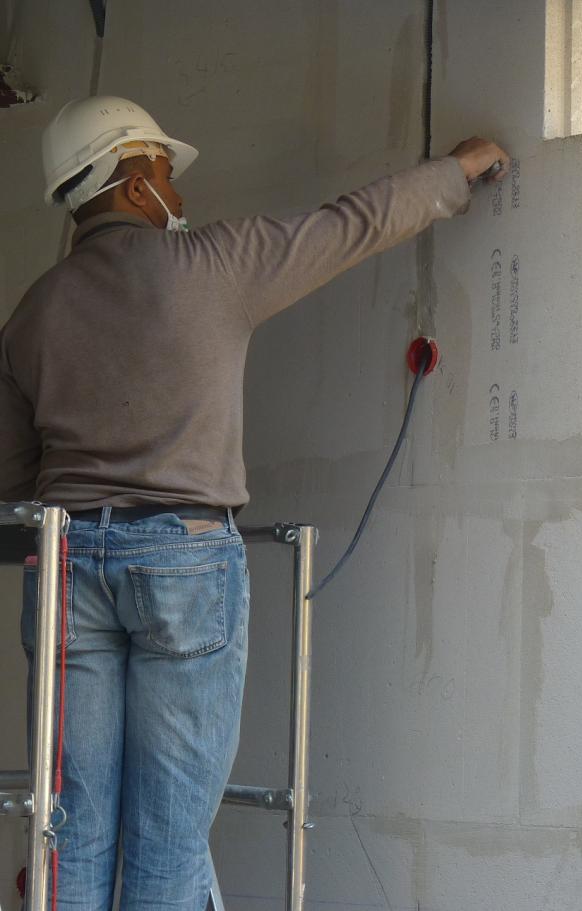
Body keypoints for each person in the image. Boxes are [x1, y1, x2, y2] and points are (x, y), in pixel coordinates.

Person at [0, 94, 508, 908]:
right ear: (133, 185)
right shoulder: (215, 264)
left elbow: (12, 479)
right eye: (165, 171)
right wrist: (460, 170)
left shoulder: (34, 310)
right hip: (182, 563)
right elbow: (351, 224)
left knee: (71, 826)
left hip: (67, 569)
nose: (178, 190)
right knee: (167, 837)